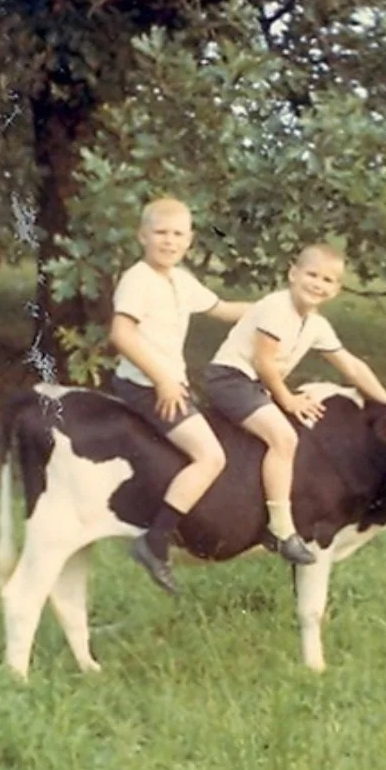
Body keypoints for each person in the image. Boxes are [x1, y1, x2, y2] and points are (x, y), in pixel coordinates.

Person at [203, 243, 386, 565]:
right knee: (285, 438)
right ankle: (281, 529)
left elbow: (351, 367)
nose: (318, 284)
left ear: (336, 289)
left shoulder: (316, 325)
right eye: (312, 274)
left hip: (256, 385)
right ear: (293, 273)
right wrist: (287, 399)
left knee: (291, 434)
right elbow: (263, 361)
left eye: (328, 280)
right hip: (231, 379)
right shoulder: (277, 308)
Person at [110, 195, 249, 595]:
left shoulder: (179, 280)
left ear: (189, 240)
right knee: (211, 455)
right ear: (142, 236)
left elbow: (221, 308)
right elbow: (121, 335)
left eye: (177, 234)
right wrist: (163, 380)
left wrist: (276, 307)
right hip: (144, 385)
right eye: (160, 233)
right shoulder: (138, 279)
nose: (169, 242)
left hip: (166, 381)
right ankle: (156, 540)